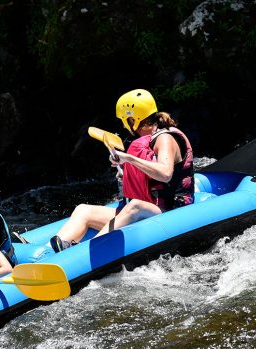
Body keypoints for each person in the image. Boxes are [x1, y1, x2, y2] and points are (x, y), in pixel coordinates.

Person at [49, 89, 194, 252]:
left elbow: (166, 174)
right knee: (83, 210)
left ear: (133, 119)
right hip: (152, 208)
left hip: (172, 211)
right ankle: (52, 255)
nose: (124, 125)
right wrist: (125, 172)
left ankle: (82, 252)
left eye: (125, 120)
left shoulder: (165, 138)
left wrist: (129, 159)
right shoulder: (147, 141)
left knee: (137, 205)